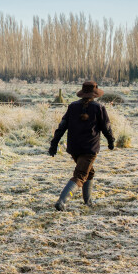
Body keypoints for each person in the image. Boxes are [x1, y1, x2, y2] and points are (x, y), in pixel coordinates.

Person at [48, 80, 115, 211]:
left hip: (74, 148)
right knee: (80, 175)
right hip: (89, 149)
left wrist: (54, 144)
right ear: (95, 94)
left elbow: (62, 126)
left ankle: (88, 202)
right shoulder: (99, 108)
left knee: (89, 172)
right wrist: (111, 141)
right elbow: (106, 127)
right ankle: (62, 202)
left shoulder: (72, 107)